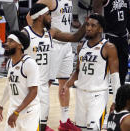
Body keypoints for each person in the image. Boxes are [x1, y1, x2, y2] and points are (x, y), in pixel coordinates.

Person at [24, 3, 86, 131]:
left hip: (65, 44)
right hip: (53, 47)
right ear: (41, 17)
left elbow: (75, 37)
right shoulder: (28, 33)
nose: (50, 17)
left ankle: (63, 121)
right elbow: (30, 16)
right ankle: (36, 120)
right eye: (48, 15)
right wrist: (35, 34)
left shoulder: (53, 31)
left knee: (64, 84)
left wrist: (88, 22)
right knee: (44, 85)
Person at [61, 14, 121, 130]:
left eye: (93, 25)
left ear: (100, 29)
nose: (88, 28)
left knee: (93, 128)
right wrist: (67, 84)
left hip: (97, 96)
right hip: (81, 94)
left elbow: (115, 76)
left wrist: (115, 100)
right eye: (87, 25)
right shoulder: (81, 46)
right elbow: (78, 71)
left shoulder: (109, 47)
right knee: (81, 128)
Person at [0, 31, 40, 131]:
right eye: (7, 41)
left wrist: (16, 112)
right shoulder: (9, 62)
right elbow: (8, 86)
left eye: (11, 41)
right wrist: (0, 105)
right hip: (14, 109)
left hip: (29, 111)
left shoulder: (29, 63)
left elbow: (33, 92)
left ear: (20, 46)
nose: (6, 44)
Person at [92, 0, 130, 85]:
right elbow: (96, 16)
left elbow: (129, 19)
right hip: (110, 37)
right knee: (105, 69)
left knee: (123, 71)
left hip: (123, 38)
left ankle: (120, 93)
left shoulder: (125, 1)